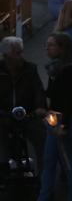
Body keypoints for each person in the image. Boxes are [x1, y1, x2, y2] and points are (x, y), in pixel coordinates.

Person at [37, 32, 72, 201]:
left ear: (62, 49)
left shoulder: (69, 73)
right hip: (55, 119)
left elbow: (68, 103)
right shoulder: (55, 70)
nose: (47, 48)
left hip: (66, 121)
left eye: (51, 45)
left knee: (69, 163)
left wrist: (62, 125)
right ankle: (44, 196)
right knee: (50, 160)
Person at [0, 37, 47, 174]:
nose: (21, 57)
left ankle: (44, 174)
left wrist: (40, 107)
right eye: (17, 53)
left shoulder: (30, 69)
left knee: (42, 136)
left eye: (21, 52)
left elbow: (38, 90)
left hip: (28, 115)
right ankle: (3, 166)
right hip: (4, 116)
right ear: (6, 55)